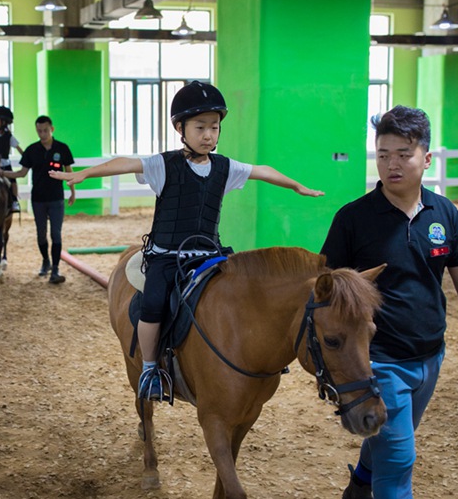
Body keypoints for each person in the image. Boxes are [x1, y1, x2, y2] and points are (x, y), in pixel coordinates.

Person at [50, 81, 323, 399]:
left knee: (243, 294)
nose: (209, 135)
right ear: (180, 127)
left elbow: (261, 170)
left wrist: (295, 186)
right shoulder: (163, 165)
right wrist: (84, 174)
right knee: (152, 306)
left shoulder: (225, 167)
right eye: (200, 127)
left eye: (214, 127)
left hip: (209, 255)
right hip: (167, 256)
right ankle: (151, 369)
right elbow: (126, 162)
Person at [320, 105, 458, 499]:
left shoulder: (444, 212)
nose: (392, 164)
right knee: (400, 461)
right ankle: (374, 484)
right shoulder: (353, 219)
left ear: (426, 158)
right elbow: (327, 289)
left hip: (430, 356)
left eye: (403, 154)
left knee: (389, 438)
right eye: (383, 155)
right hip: (380, 362)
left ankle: (360, 484)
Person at [2, 115, 75, 284]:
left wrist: (73, 191)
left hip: (56, 198)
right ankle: (45, 261)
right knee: (41, 235)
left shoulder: (62, 148)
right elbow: (21, 173)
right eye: (39, 131)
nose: (42, 134)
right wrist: (3, 173)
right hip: (38, 199)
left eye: (45, 130)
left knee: (55, 234)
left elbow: (69, 171)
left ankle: (55, 269)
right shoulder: (31, 150)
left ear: (52, 129)